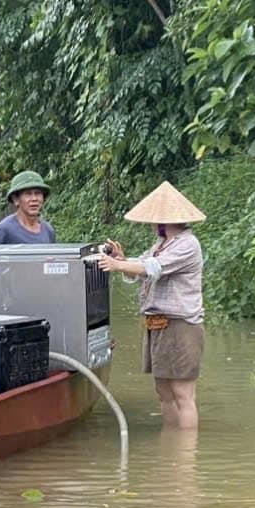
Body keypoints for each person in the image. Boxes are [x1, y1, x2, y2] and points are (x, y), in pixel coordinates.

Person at [97, 181, 206, 430]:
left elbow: (153, 268)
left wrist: (118, 266)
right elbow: (143, 264)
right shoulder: (161, 245)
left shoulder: (188, 244)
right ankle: (170, 447)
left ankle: (186, 456)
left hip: (181, 324)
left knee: (182, 393)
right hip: (157, 324)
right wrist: (122, 260)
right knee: (163, 391)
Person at [0, 170, 57, 244]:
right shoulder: (4, 229)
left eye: (37, 193)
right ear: (15, 199)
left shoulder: (48, 230)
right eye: (28, 194)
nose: (34, 199)